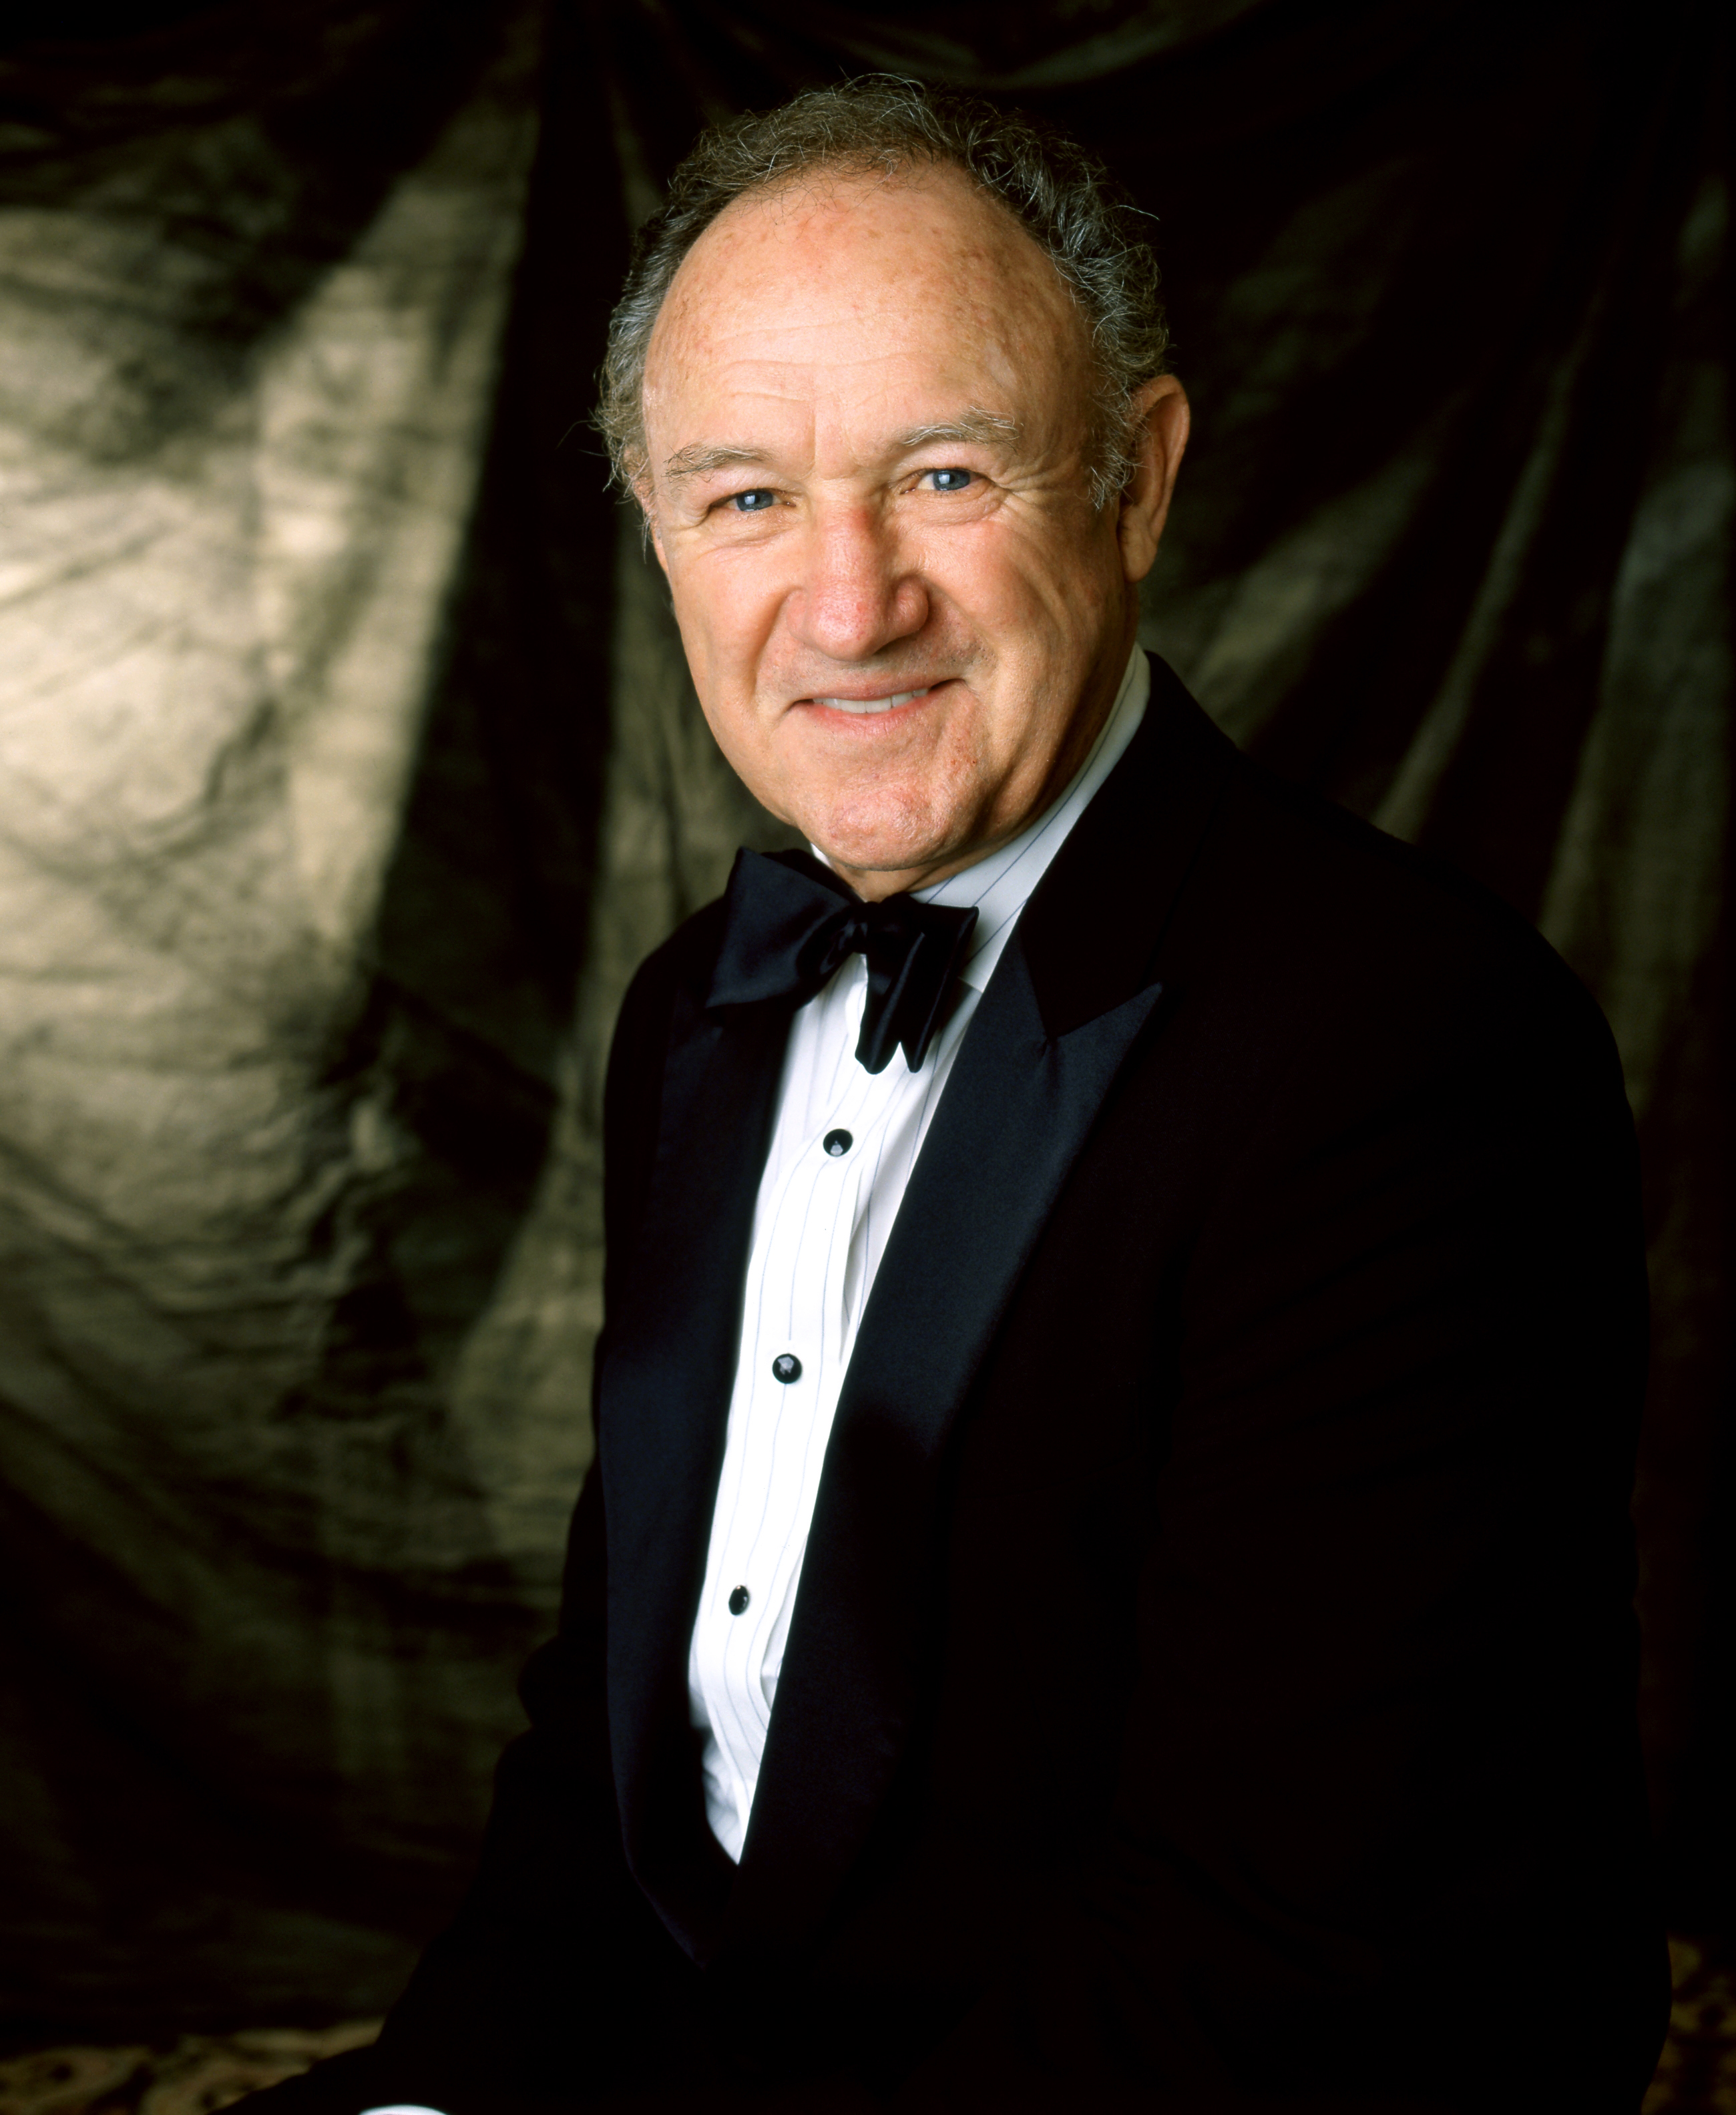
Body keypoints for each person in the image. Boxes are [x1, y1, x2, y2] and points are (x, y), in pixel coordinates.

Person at [257, 78, 1667, 2115]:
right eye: (745, 497)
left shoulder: (1405, 1049)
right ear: (656, 531)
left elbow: (1289, 1957)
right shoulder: (699, 1014)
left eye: (941, 475)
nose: (847, 608)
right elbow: (624, 1738)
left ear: (1139, 478)